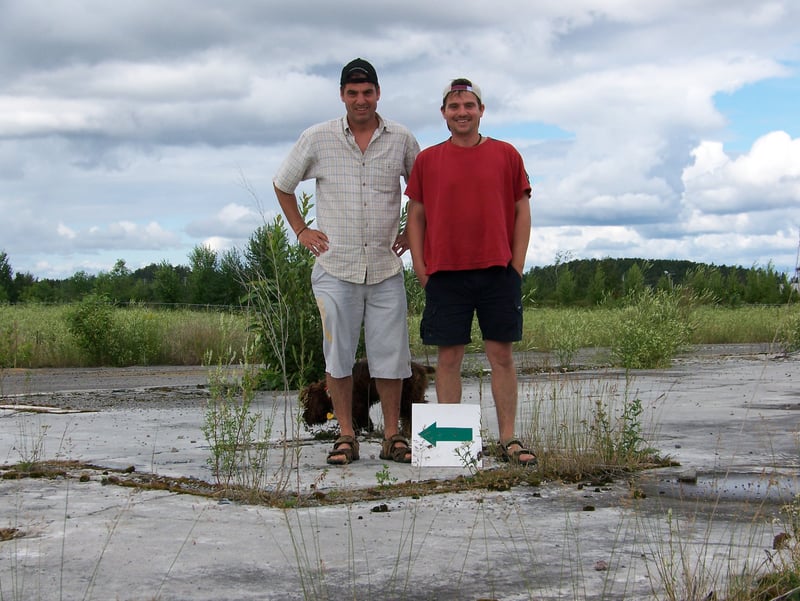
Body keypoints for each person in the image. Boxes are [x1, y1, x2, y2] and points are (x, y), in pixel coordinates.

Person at [273, 58, 420, 465]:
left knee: (392, 357)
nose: (361, 100)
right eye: (352, 93)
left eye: (368, 92)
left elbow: (423, 189)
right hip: (336, 268)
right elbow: (283, 183)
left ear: (378, 94)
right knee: (337, 357)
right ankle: (346, 436)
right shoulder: (317, 138)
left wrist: (411, 232)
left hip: (385, 267)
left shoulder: (402, 138)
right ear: (342, 95)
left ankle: (393, 437)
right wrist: (301, 230)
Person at [405, 77, 536, 465]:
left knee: (501, 355)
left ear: (481, 110)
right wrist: (420, 265)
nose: (462, 112)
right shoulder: (428, 160)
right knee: (449, 358)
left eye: (469, 106)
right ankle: (449, 446)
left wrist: (517, 264)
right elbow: (416, 215)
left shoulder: (507, 154)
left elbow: (521, 210)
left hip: (498, 271)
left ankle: (509, 439)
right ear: (444, 113)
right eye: (453, 106)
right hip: (445, 273)